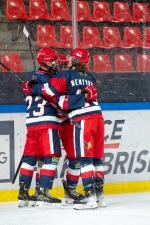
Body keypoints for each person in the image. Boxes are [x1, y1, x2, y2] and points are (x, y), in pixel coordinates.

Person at [29, 48, 105, 209]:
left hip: (82, 120)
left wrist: (33, 87)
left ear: (75, 60)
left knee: (84, 159)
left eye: (70, 57)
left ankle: (89, 199)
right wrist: (76, 97)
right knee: (96, 159)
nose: (66, 59)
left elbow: (49, 92)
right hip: (98, 117)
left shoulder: (65, 75)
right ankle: (99, 198)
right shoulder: (90, 77)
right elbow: (86, 95)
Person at [18, 48, 63, 207]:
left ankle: (23, 194)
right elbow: (56, 96)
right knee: (52, 156)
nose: (55, 63)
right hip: (47, 123)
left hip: (31, 123)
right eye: (53, 60)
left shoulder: (31, 79)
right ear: (45, 62)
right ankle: (43, 191)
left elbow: (30, 91)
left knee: (29, 158)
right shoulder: (51, 80)